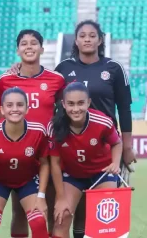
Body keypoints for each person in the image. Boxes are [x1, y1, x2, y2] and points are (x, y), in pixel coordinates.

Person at [7, 20, 135, 238]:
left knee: (99, 215)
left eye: (92, 35)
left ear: (100, 39)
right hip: (70, 147)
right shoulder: (63, 69)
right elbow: (45, 87)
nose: (87, 39)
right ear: (75, 40)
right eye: (82, 35)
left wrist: (127, 147)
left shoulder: (114, 68)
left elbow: (124, 109)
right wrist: (19, 69)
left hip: (103, 147)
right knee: (62, 208)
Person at [0, 30, 65, 237]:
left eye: (34, 43)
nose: (29, 47)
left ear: (42, 49)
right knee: (20, 210)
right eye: (24, 44)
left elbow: (65, 110)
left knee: (49, 206)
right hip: (19, 152)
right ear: (17, 50)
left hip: (48, 153)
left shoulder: (56, 79)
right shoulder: (5, 80)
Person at [48, 82, 122, 238]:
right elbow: (54, 163)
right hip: (73, 175)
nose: (76, 109)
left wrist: (115, 163)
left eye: (81, 103)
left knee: (104, 221)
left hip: (102, 174)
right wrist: (60, 198)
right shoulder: (55, 127)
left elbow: (117, 142)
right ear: (63, 104)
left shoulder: (102, 121)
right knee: (62, 216)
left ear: (88, 102)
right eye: (71, 104)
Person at [0, 87, 50, 238]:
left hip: (27, 180)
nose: (15, 109)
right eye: (9, 105)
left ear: (27, 108)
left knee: (38, 221)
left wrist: (41, 196)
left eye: (20, 105)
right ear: (2, 109)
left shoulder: (38, 131)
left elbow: (44, 163)